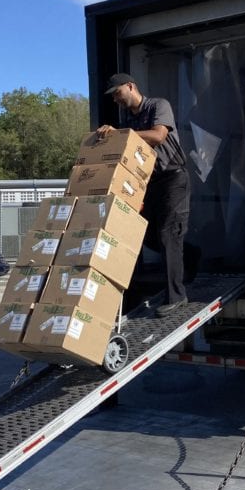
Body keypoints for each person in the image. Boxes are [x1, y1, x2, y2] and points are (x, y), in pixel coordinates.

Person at [96, 73, 189, 317]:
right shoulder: (129, 120)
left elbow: (158, 136)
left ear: (130, 86)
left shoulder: (158, 105)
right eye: (113, 96)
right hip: (149, 183)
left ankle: (177, 296)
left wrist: (120, 133)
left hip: (173, 178)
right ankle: (191, 255)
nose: (116, 99)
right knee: (142, 232)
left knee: (168, 233)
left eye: (118, 93)